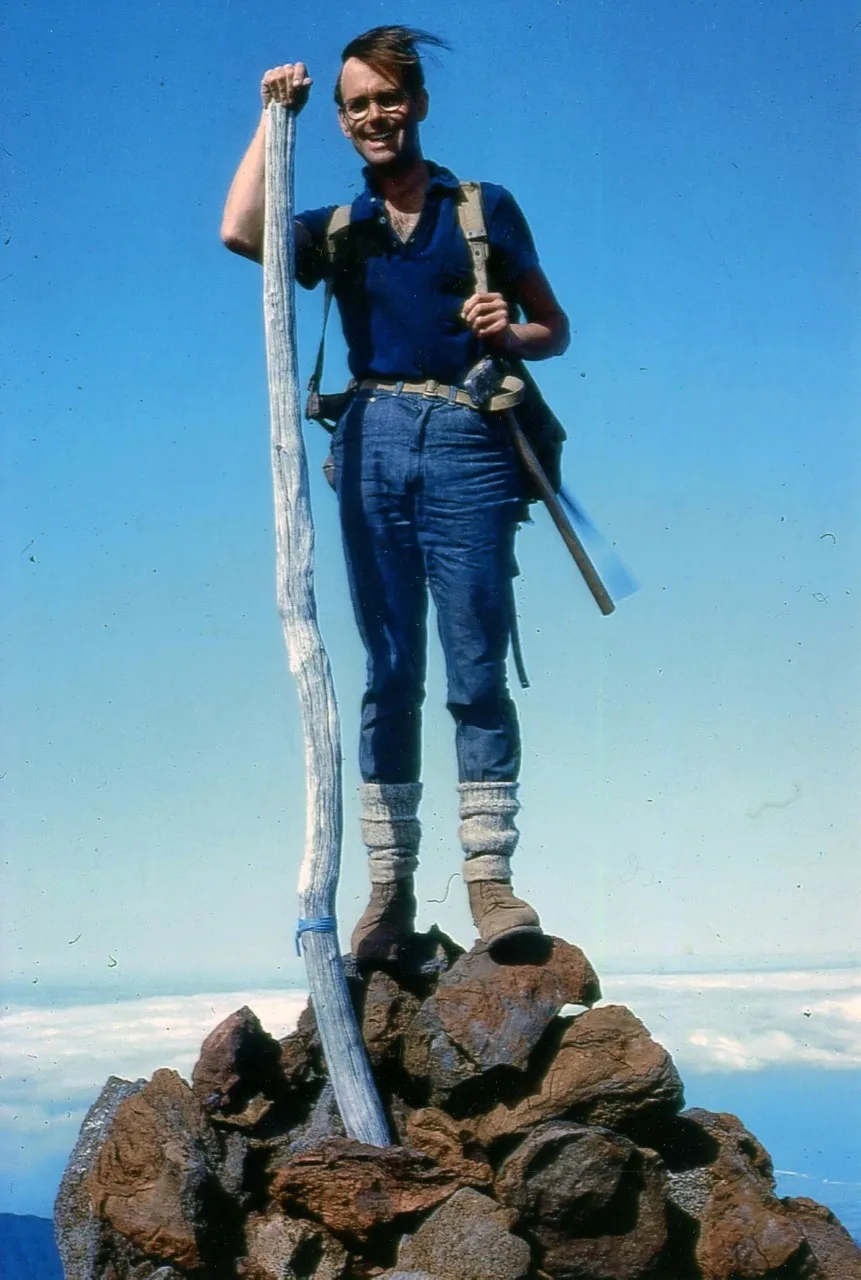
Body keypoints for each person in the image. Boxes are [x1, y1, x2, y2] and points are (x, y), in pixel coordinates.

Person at [222, 26, 570, 962]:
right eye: (356, 104)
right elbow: (238, 232)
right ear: (340, 120)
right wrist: (270, 120)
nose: (375, 116)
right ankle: (390, 893)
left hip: (467, 435)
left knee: (474, 662)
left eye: (388, 98)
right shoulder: (339, 230)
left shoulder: (480, 208)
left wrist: (511, 325)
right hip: (371, 439)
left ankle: (491, 882)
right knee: (387, 669)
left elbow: (553, 330)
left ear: (416, 103)